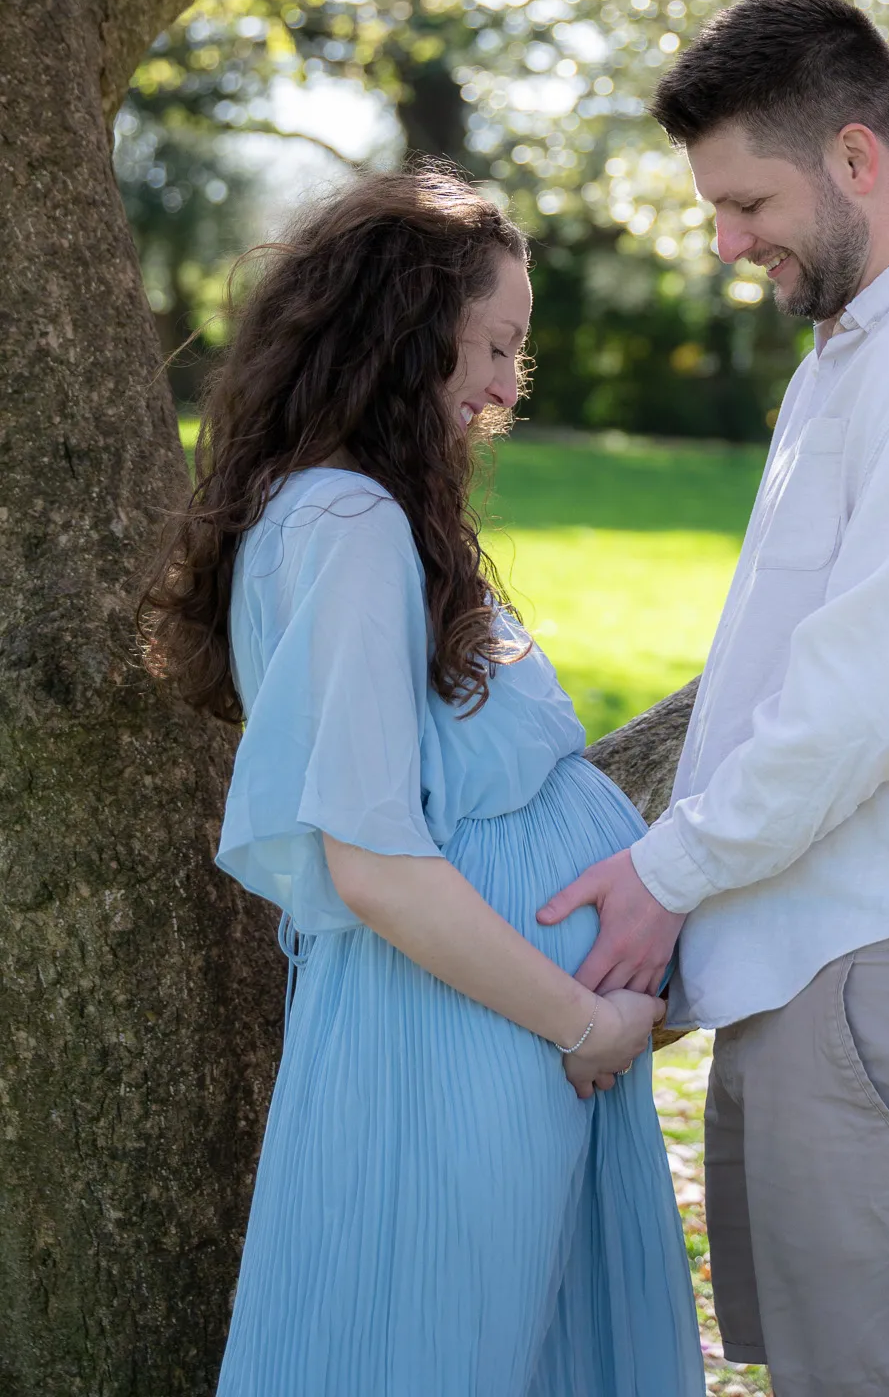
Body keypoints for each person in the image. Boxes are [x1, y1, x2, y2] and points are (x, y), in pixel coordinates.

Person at [540, 0, 889, 1397]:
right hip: (824, 977)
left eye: (746, 202)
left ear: (856, 158)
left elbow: (868, 696)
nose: (728, 243)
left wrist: (666, 871)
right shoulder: (869, 346)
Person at [140, 166, 704, 1397]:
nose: (509, 387)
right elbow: (375, 863)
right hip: (457, 1049)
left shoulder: (352, 512)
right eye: (496, 345)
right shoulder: (348, 527)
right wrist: (586, 1019)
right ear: (405, 327)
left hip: (482, 1042)